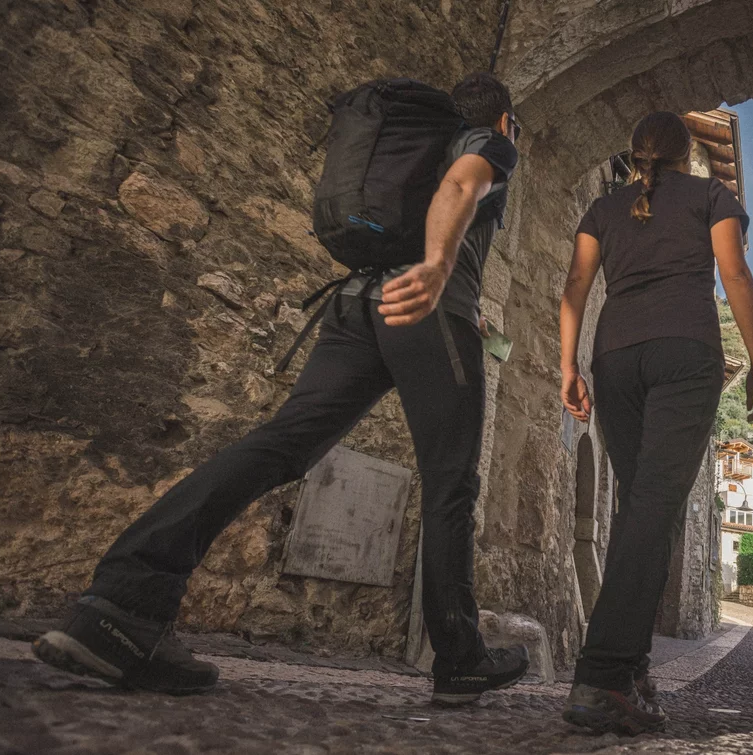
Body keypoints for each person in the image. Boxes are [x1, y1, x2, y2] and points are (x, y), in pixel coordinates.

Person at [32, 72, 530, 706]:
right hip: (426, 313)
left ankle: (121, 609)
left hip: (356, 306)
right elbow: (462, 184)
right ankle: (460, 659)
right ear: (505, 121)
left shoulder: (416, 146)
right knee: (451, 480)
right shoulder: (489, 143)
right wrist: (435, 265)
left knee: (279, 446)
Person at [557, 111, 753, 734]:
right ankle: (600, 678)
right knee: (652, 508)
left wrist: (567, 366)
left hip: (614, 357)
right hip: (685, 355)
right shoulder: (711, 194)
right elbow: (734, 273)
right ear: (685, 156)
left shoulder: (604, 208)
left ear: (634, 155)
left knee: (642, 511)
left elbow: (576, 283)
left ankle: (630, 670)